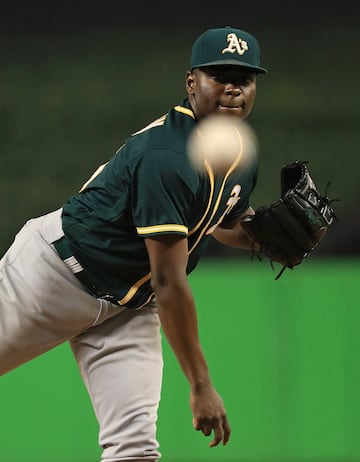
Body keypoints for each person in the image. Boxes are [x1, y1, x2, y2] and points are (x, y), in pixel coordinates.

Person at [0, 26, 267, 461]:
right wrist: (200, 385)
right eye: (219, 75)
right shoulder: (166, 156)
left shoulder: (238, 154)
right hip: (53, 276)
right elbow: (169, 281)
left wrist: (268, 238)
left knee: (135, 450)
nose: (233, 87)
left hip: (128, 306)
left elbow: (221, 223)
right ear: (191, 82)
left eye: (245, 77)